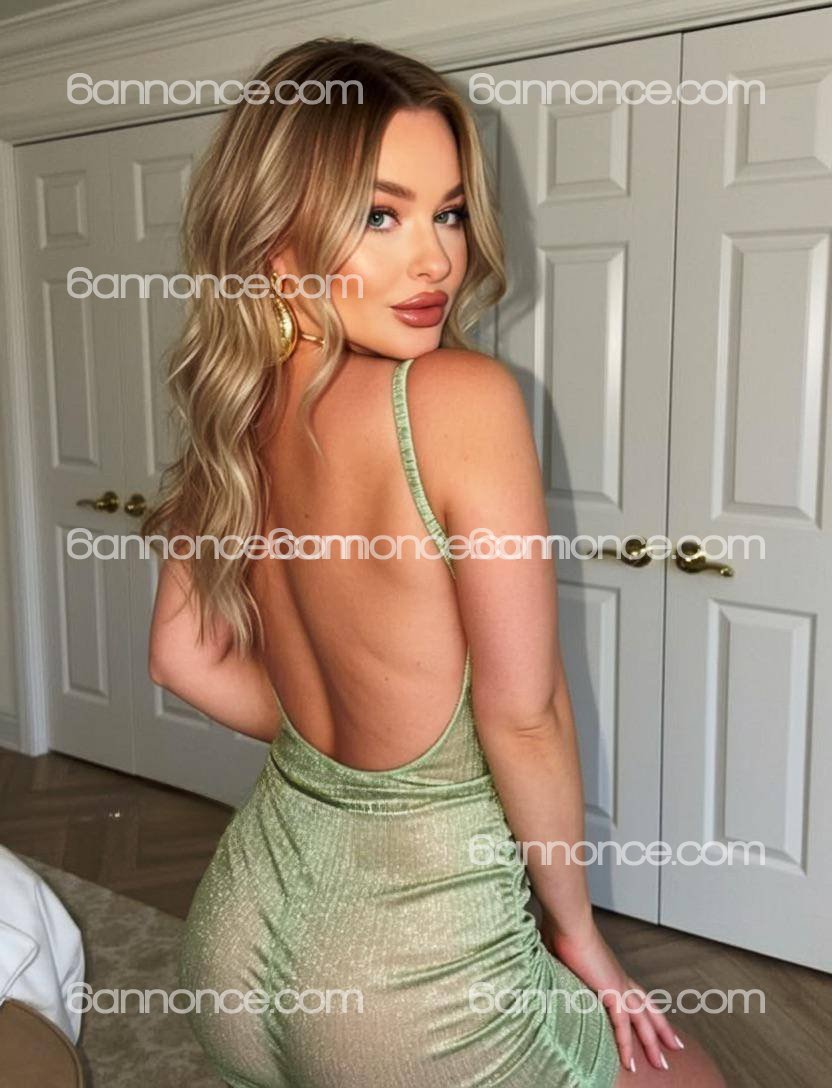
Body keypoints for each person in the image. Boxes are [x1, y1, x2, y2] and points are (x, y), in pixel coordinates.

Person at [144, 37, 726, 1088]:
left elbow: (180, 657)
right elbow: (524, 715)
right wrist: (579, 936)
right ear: (277, 241)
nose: (435, 261)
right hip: (410, 989)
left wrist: (337, 749)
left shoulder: (234, 409)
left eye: (449, 213)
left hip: (236, 938)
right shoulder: (462, 399)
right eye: (382, 215)